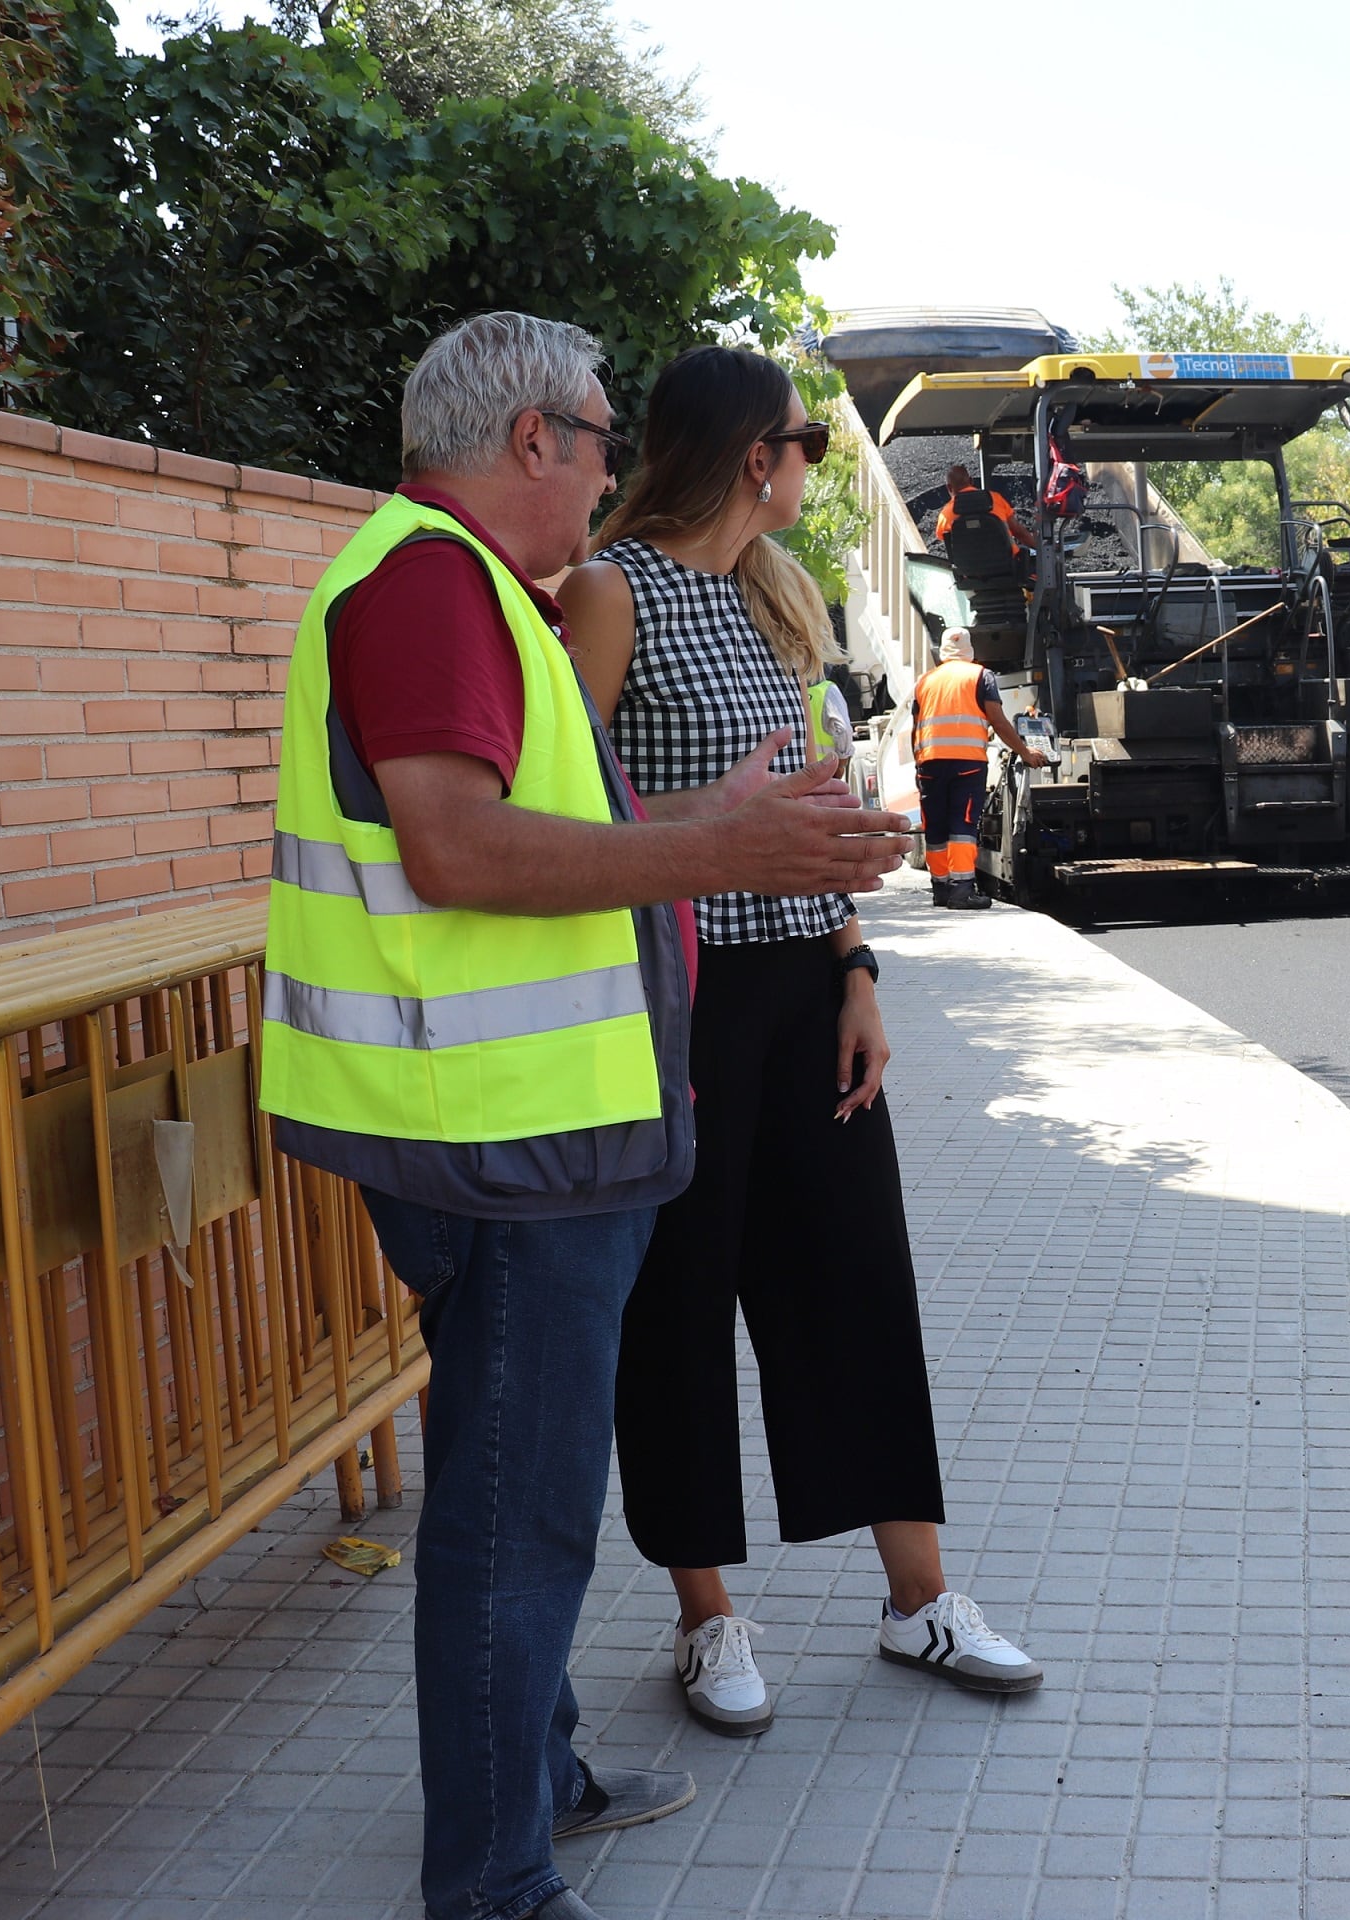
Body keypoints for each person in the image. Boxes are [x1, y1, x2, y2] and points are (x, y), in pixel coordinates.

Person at [260, 312, 912, 1920]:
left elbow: (556, 825)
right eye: (603, 435)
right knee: (515, 1519)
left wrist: (737, 823)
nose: (617, 463)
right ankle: (492, 1881)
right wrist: (718, 853)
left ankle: (533, 1771)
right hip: (498, 1142)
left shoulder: (467, 589)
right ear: (533, 441)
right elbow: (462, 855)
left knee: (516, 1494)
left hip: (517, 1127)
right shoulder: (428, 583)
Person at [562, 345, 1048, 1744]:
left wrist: (858, 969)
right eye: (803, 442)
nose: (812, 466)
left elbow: (809, 810)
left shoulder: (772, 594)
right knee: (682, 1305)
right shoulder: (610, 594)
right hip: (685, 996)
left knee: (855, 1279)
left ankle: (919, 1602)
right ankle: (706, 1616)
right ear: (740, 453)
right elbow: (570, 826)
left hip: (800, 981)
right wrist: (708, 833)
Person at [910, 628, 1047, 909]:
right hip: (967, 763)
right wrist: (1024, 752)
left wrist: (918, 764)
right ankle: (962, 890)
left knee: (935, 825)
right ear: (970, 650)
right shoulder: (980, 676)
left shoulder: (925, 681)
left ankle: (942, 888)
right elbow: (997, 720)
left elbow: (916, 728)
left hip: (929, 762)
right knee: (962, 824)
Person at [931, 462, 1030, 553]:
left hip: (969, 570)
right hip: (1008, 566)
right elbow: (1018, 531)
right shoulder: (995, 499)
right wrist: (1040, 549)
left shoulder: (945, 515)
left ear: (948, 487)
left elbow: (947, 542)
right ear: (971, 481)